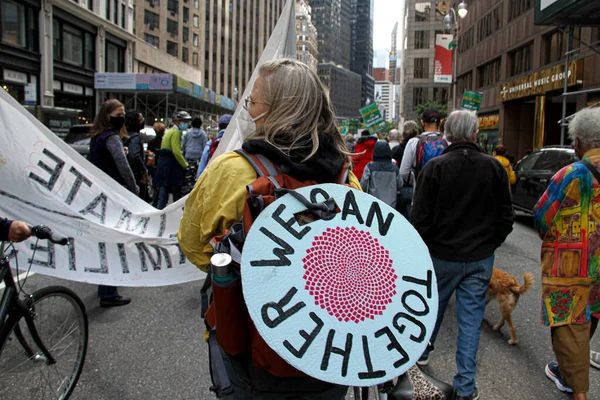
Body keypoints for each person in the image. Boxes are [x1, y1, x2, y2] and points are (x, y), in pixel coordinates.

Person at [179, 58, 359, 399]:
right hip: (330, 350)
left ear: (275, 109)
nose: (249, 108)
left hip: (252, 348)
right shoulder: (344, 179)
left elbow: (191, 244)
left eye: (253, 100)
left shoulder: (232, 171)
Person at [412, 110, 514, 400]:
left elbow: (419, 218)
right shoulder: (494, 168)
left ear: (448, 135)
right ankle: (465, 387)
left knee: (431, 311)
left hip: (442, 256)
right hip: (480, 258)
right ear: (474, 134)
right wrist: (490, 243)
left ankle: (418, 361)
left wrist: (429, 245)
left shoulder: (435, 167)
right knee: (470, 324)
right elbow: (506, 218)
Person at [534, 108, 600, 400]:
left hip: (571, 267)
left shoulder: (572, 173)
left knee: (571, 325)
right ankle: (566, 372)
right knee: (593, 312)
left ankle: (579, 392)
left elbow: (542, 217)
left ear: (579, 141)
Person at [89, 99, 135, 307]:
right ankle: (108, 292)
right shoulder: (112, 138)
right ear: (108, 116)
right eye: (118, 114)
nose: (122, 117)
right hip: (114, 195)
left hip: (101, 194)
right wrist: (133, 189)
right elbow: (123, 167)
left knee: (105, 241)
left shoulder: (98, 137)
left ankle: (104, 286)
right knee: (114, 241)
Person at [155, 110, 192, 209]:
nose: (186, 124)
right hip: (171, 167)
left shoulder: (170, 131)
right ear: (177, 122)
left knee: (163, 195)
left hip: (163, 166)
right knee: (176, 195)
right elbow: (176, 151)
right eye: (184, 121)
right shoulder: (176, 132)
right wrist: (185, 165)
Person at [400, 108, 445, 188]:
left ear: (422, 122)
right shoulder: (447, 142)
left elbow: (404, 172)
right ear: (440, 122)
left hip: (420, 194)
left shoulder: (413, 142)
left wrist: (417, 181)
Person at [360, 140, 402, 208]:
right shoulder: (395, 168)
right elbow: (400, 184)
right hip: (391, 206)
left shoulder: (369, 167)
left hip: (373, 204)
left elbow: (363, 185)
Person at [394, 121, 419, 221]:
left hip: (400, 189)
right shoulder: (419, 147)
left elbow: (402, 172)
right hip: (415, 188)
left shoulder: (396, 150)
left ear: (403, 134)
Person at [124, 110, 149, 200]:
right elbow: (134, 155)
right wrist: (143, 170)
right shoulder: (135, 137)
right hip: (135, 176)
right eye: (141, 119)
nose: (143, 121)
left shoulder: (123, 134)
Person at [148, 122, 165, 207]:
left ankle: (154, 204)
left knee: (154, 185)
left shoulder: (151, 142)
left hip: (153, 165)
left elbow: (150, 154)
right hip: (162, 166)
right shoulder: (164, 142)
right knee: (160, 187)